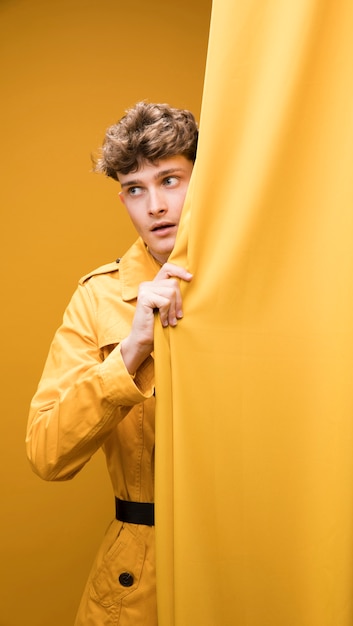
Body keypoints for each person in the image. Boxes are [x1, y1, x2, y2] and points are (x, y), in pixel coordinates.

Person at [26, 101, 198, 625]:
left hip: (254, 554)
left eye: (171, 179)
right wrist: (130, 353)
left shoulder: (262, 284)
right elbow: (47, 453)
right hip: (139, 575)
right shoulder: (98, 298)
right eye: (135, 189)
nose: (155, 206)